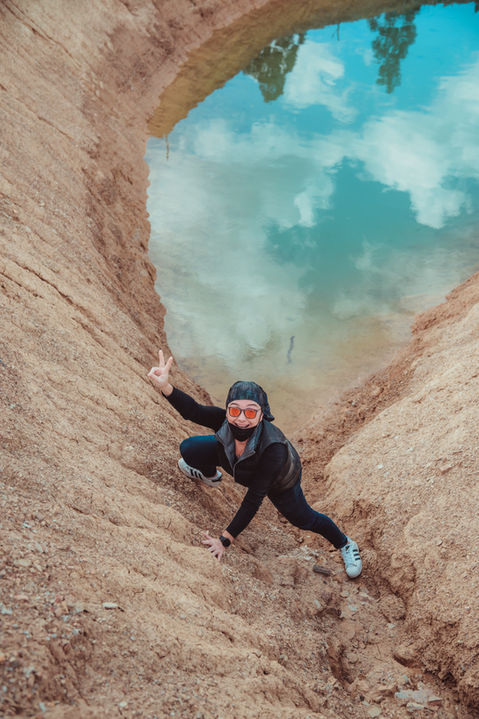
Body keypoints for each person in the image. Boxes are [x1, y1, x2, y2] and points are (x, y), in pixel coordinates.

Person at [147, 350, 362, 579]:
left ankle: (345, 544)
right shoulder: (224, 421)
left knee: (304, 518)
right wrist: (166, 387)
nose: (241, 418)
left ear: (262, 415)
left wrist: (224, 540)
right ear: (228, 410)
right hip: (236, 464)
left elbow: (253, 500)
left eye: (250, 412)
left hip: (279, 481)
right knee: (190, 449)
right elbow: (193, 411)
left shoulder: (274, 449)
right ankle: (210, 476)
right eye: (235, 410)